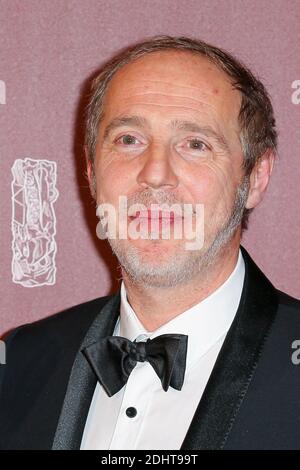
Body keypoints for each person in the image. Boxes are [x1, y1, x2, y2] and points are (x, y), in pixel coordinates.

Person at [0, 35, 299, 450]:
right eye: (129, 140)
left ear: (255, 178)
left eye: (195, 144)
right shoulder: (20, 361)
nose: (155, 174)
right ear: (91, 170)